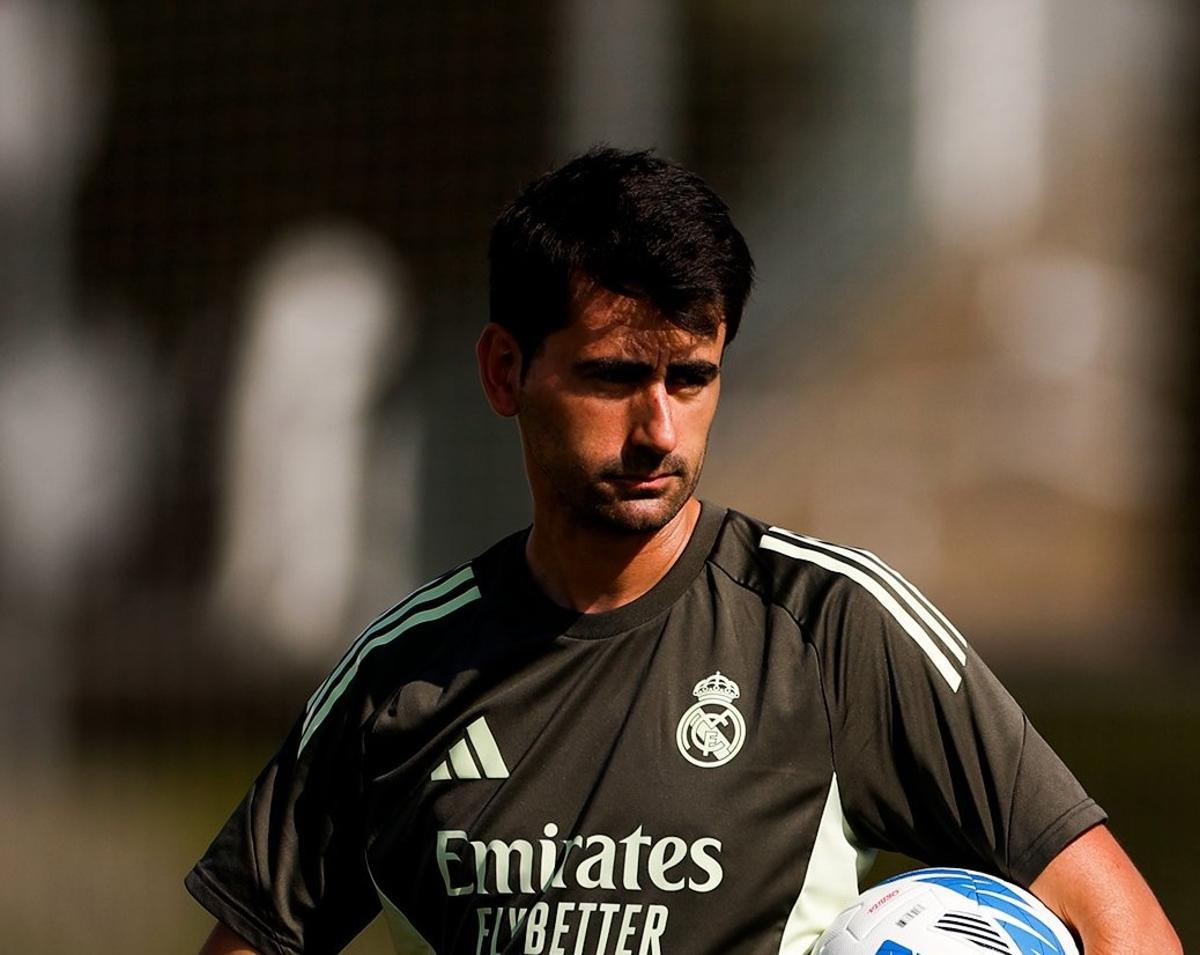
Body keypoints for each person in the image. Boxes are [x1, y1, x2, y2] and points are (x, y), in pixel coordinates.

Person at [188, 147, 1180, 955]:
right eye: (615, 377)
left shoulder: (828, 628)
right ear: (505, 371)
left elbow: (1126, 927)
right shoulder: (401, 680)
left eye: (693, 378)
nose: (660, 428)